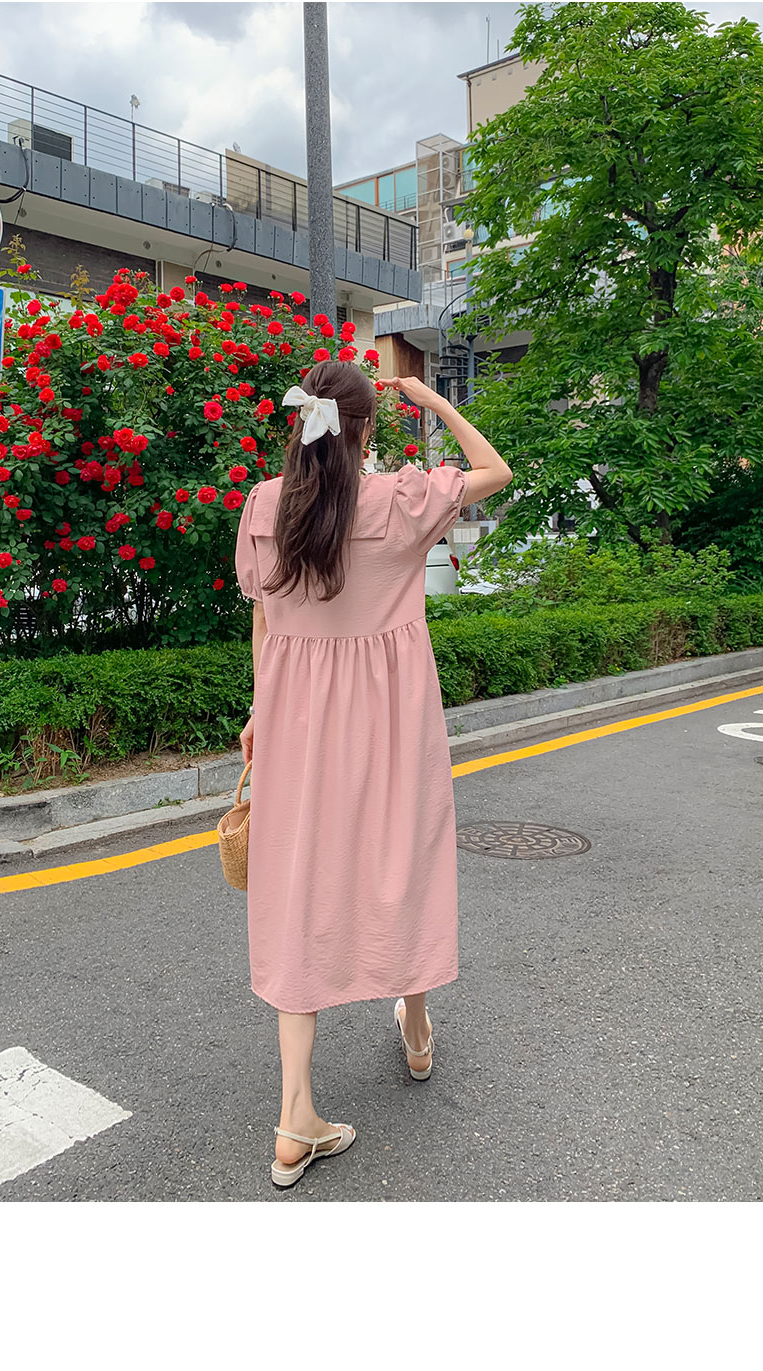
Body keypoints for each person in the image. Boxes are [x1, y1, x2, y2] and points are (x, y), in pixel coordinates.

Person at [233, 360, 512, 1188]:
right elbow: (496, 469)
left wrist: (260, 711)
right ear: (364, 428)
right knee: (404, 865)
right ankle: (416, 1031)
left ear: (302, 422)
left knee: (298, 889)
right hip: (391, 726)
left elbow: (264, 623)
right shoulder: (399, 500)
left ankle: (295, 1115)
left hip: (297, 726)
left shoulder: (265, 505)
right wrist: (431, 399)